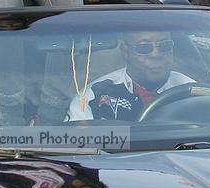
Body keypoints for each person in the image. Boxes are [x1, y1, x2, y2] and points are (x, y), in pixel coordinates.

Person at [67, 30, 195, 121]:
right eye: (144, 47)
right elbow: (75, 148)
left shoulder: (194, 91)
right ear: (125, 52)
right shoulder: (92, 97)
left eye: (165, 46)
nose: (156, 54)